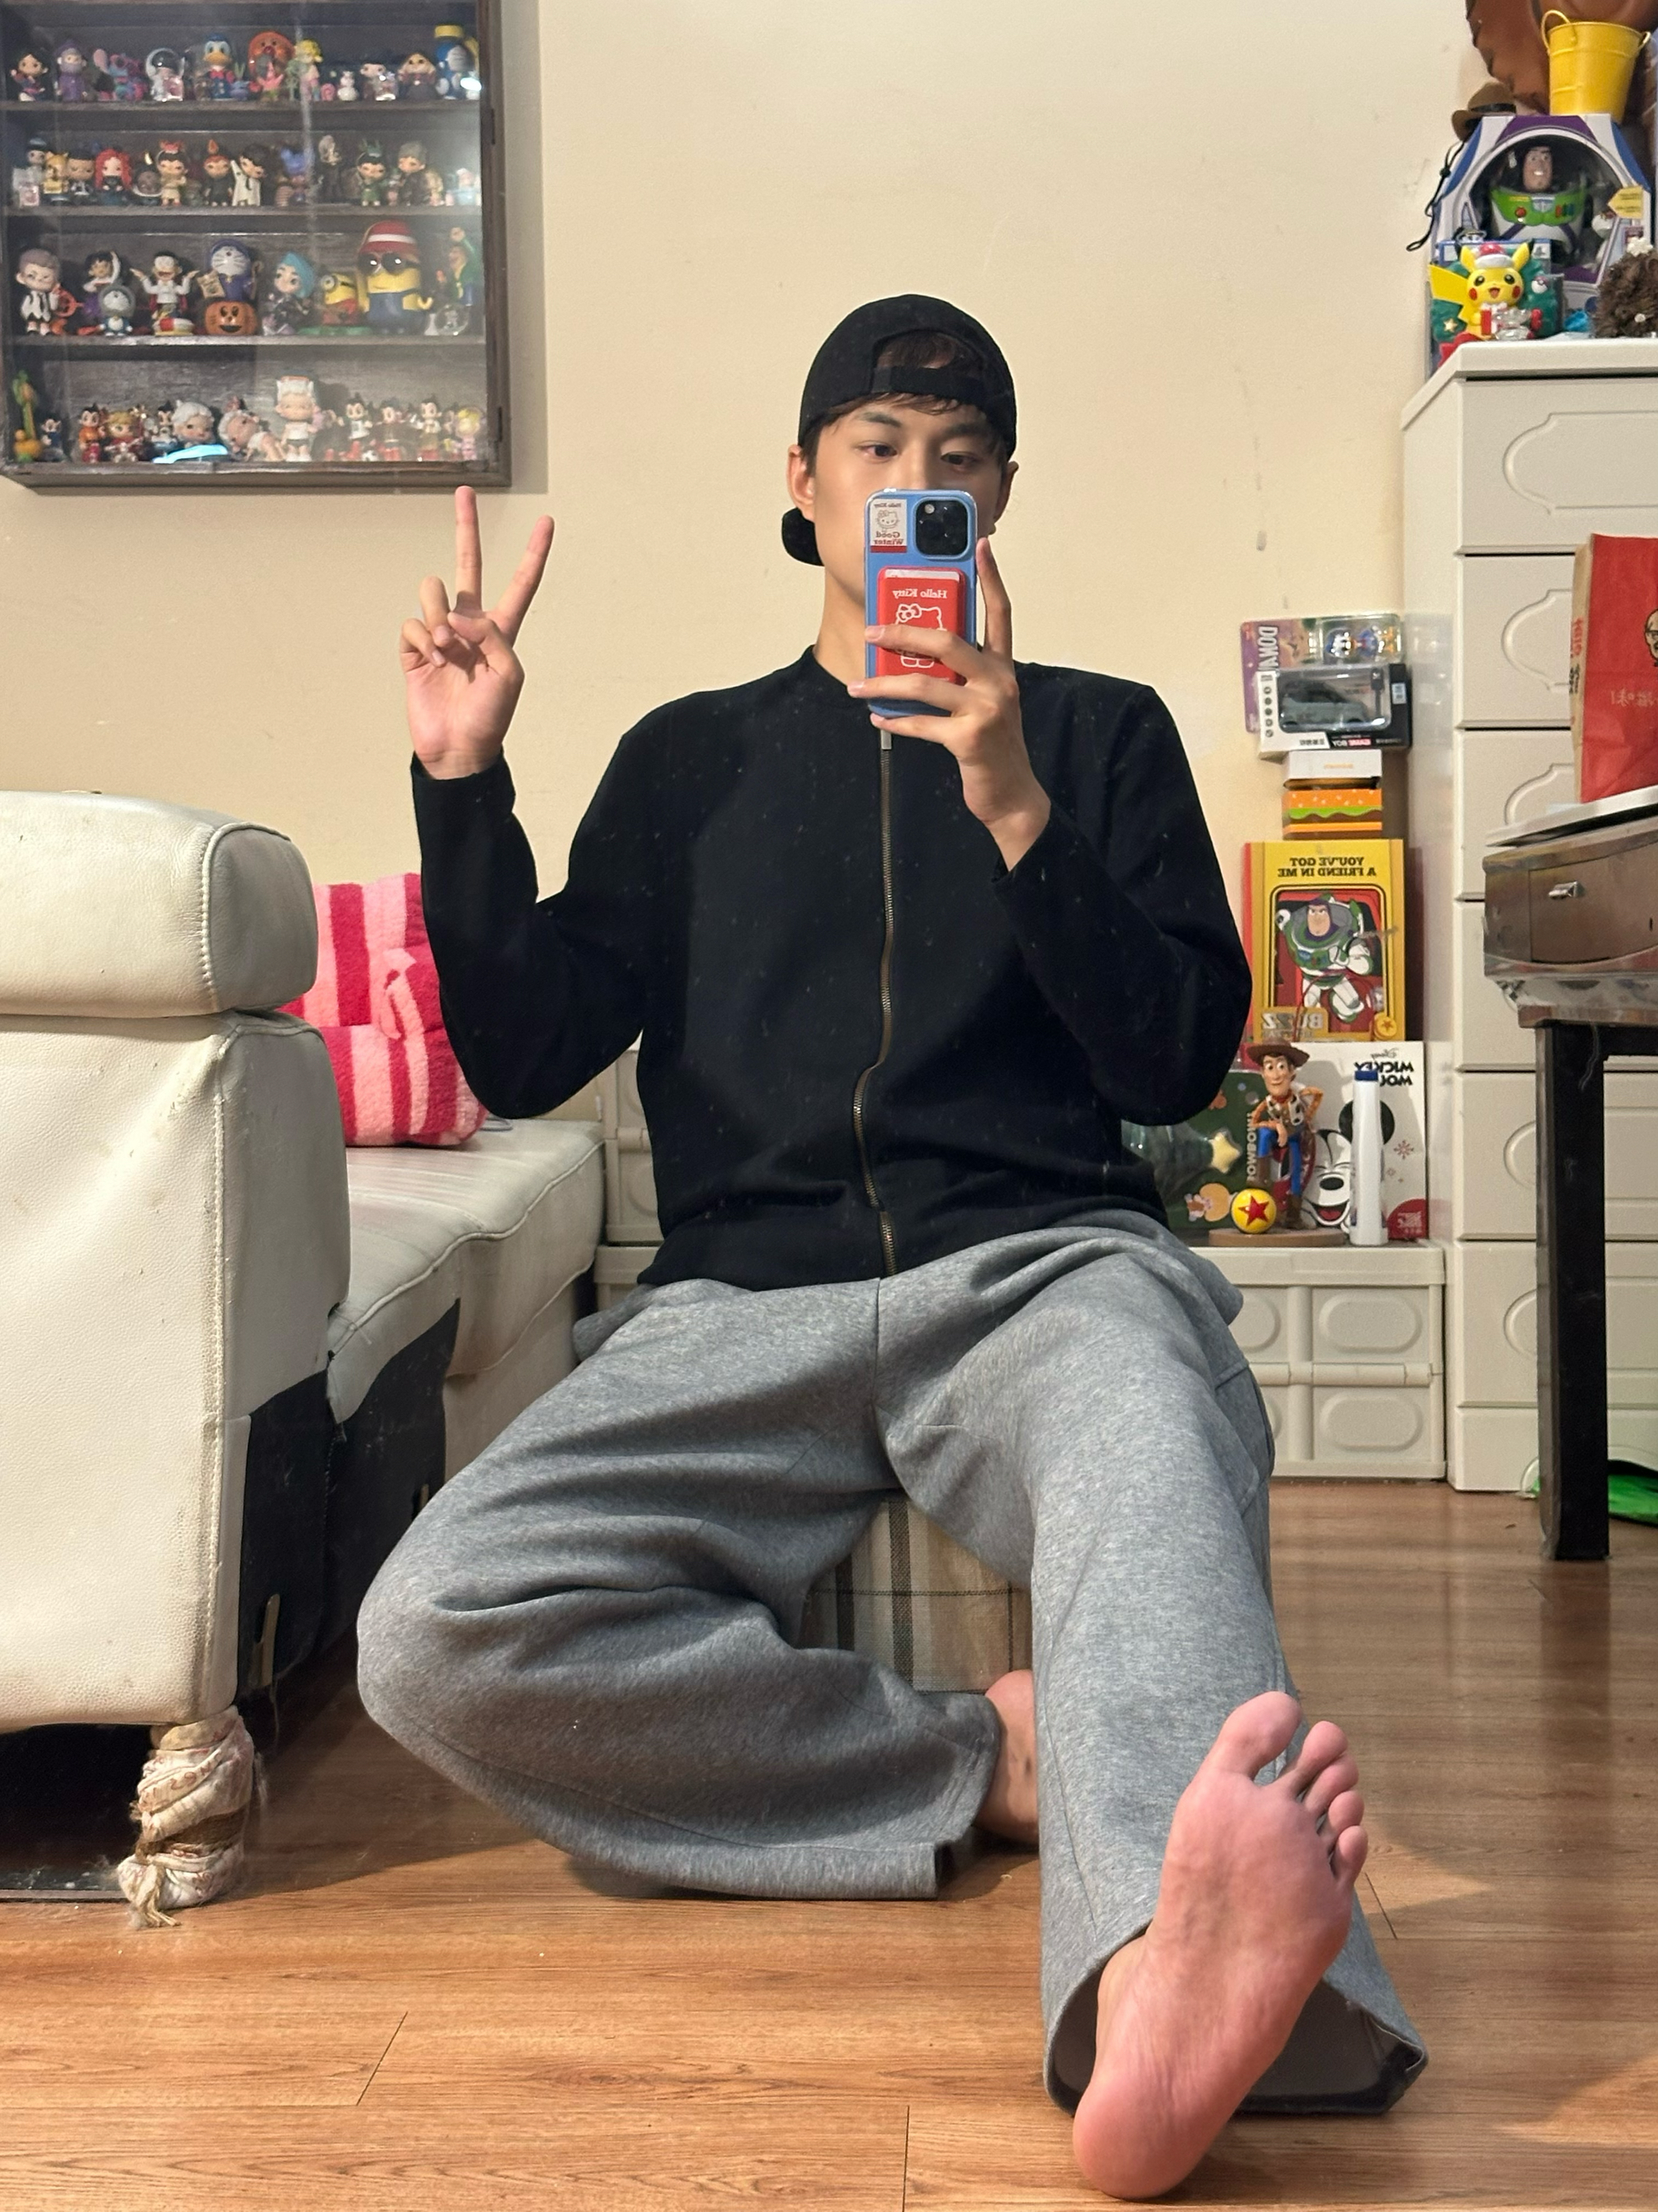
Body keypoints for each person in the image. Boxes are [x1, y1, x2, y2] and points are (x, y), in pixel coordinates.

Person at [357, 295, 1426, 2197]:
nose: (915, 484)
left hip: (1036, 1271)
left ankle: (1176, 1990)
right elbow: (525, 1050)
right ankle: (977, 1766)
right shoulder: (685, 761)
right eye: (876, 448)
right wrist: (462, 783)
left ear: (997, 499)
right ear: (803, 482)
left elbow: (1174, 1061)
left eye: (957, 457)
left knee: (1146, 1437)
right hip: (735, 1303)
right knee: (433, 1629)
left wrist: (1012, 805)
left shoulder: (1094, 735)